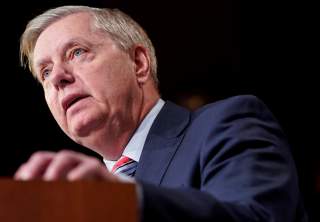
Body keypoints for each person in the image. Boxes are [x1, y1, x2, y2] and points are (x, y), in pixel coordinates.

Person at [15, 5, 307, 222]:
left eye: (77, 52)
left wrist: (122, 201)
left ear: (139, 63)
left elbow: (260, 218)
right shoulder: (74, 202)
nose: (58, 78)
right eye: (46, 72)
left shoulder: (228, 123)